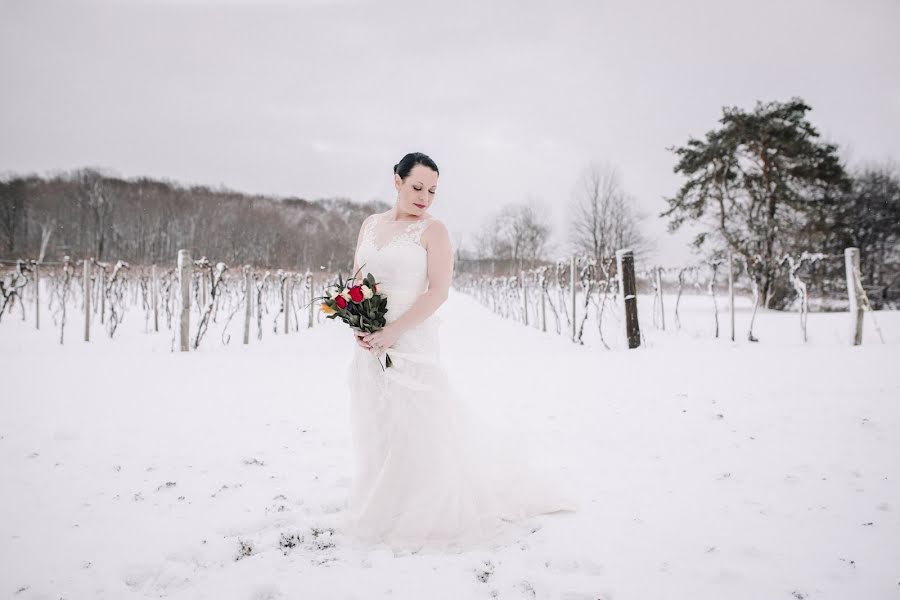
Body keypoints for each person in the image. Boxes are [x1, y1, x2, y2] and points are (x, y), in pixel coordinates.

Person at [340, 152, 578, 554]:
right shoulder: (370, 224)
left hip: (410, 337)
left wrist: (394, 331)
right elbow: (359, 279)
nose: (425, 197)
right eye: (417, 187)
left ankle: (423, 508)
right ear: (396, 181)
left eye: (432, 191)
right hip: (371, 339)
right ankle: (384, 501)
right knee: (378, 420)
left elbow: (438, 291)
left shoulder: (434, 231)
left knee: (418, 423)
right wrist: (358, 324)